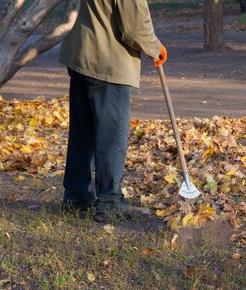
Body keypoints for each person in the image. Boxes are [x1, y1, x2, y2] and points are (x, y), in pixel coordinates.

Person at [58, 0, 167, 221]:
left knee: (83, 132)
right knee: (111, 136)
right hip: (107, 62)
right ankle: (109, 202)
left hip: (81, 55)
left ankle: (76, 197)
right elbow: (133, 29)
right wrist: (155, 47)